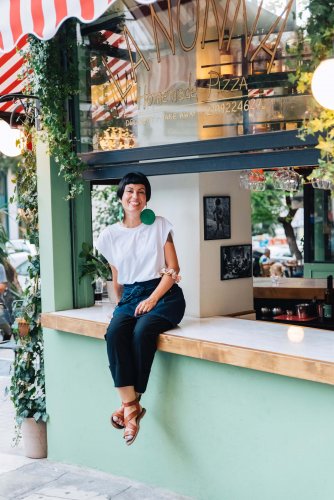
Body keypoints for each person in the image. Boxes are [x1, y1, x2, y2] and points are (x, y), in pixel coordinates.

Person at [96, 172, 186, 446]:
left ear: (147, 197)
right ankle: (131, 406)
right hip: (131, 295)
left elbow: (173, 270)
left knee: (143, 331)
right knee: (115, 333)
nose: (135, 197)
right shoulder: (109, 235)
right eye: (130, 192)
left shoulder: (159, 225)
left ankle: (130, 408)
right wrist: (118, 307)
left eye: (142, 192)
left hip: (165, 294)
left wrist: (153, 299)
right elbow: (117, 278)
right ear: (121, 197)